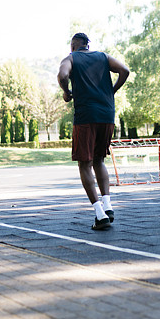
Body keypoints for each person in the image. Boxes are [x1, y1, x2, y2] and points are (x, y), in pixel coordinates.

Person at [57, 32, 130, 230]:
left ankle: (100, 214)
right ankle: (108, 205)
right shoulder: (104, 57)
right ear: (88, 45)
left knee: (84, 164)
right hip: (107, 114)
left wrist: (67, 92)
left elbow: (62, 75)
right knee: (99, 160)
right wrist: (112, 90)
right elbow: (124, 70)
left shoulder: (70, 59)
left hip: (86, 117)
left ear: (73, 46)